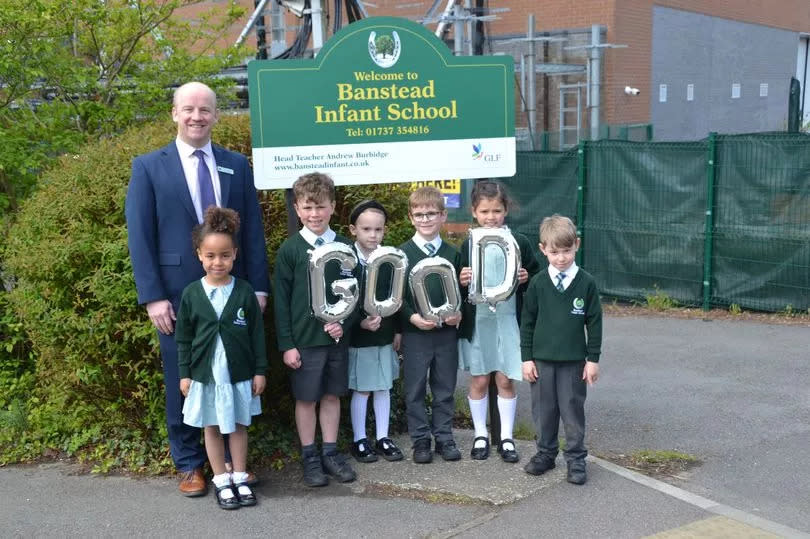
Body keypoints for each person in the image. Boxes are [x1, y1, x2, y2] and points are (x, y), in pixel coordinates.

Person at [125, 81, 270, 496]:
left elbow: (254, 233)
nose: (196, 116)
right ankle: (190, 464)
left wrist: (258, 287)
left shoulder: (236, 165)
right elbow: (140, 236)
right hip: (175, 294)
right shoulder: (149, 167)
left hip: (232, 294)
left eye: (205, 110)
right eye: (188, 109)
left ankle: (234, 465)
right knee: (184, 378)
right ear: (174, 113)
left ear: (216, 116)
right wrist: (152, 295)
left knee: (233, 374)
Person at [175, 207, 266, 510]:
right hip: (205, 374)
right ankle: (221, 481)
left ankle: (239, 476)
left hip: (238, 373)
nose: (218, 262)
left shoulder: (244, 292)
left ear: (235, 254)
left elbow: (256, 335)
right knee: (211, 426)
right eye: (211, 255)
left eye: (225, 255)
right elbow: (183, 338)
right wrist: (185, 373)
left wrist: (259, 371)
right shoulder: (191, 294)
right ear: (199, 255)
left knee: (238, 424)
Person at [273, 172, 358, 487]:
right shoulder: (291, 250)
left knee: (332, 396)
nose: (314, 214)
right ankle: (310, 456)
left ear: (333, 207)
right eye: (308, 208)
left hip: (336, 340)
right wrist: (287, 344)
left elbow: (355, 292)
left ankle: (330, 452)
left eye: (320, 207)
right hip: (304, 342)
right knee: (307, 399)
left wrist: (344, 322)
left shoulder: (346, 247)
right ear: (297, 209)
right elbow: (281, 302)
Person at [458, 180, 540, 462]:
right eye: (484, 211)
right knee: (479, 379)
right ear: (474, 212)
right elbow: (457, 282)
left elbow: (536, 275)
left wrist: (527, 277)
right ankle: (480, 435)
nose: (491, 217)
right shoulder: (468, 243)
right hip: (479, 320)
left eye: (496, 210)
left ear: (506, 210)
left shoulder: (519, 241)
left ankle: (506, 438)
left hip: (508, 320)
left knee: (505, 379)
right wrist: (461, 280)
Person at [520, 214, 602, 485]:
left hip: (573, 362)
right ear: (543, 250)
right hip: (542, 362)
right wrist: (526, 358)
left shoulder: (586, 283)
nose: (561, 258)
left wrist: (593, 360)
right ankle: (545, 454)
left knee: (571, 410)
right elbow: (528, 322)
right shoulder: (538, 283)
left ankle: (576, 459)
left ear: (576, 245)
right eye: (554, 252)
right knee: (543, 410)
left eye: (567, 251)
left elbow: (595, 322)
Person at [398, 186, 463, 464]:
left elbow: (465, 294)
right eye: (419, 214)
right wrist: (411, 317)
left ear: (443, 215)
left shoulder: (454, 253)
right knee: (414, 389)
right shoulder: (402, 253)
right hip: (416, 334)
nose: (425, 219)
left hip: (446, 335)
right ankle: (420, 439)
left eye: (431, 214)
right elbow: (395, 297)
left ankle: (444, 437)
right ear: (411, 217)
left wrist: (459, 315)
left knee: (445, 387)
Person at [347, 200, 404, 463]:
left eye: (378, 229)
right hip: (360, 336)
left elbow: (398, 295)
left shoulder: (391, 258)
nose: (373, 235)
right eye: (367, 229)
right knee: (362, 389)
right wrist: (360, 322)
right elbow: (343, 299)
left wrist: (398, 330)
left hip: (385, 332)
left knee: (383, 386)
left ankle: (383, 437)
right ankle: (360, 439)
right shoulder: (347, 259)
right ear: (353, 230)